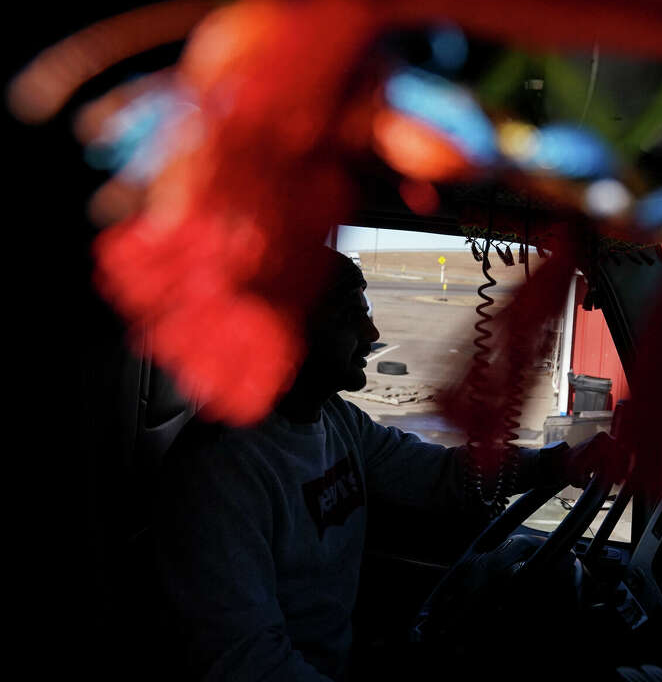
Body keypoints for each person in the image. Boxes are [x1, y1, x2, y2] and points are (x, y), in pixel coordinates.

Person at [155, 247, 611, 681]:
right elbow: (245, 664)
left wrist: (555, 464)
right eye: (351, 314)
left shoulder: (336, 419)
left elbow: (441, 475)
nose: (372, 335)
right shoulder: (220, 471)